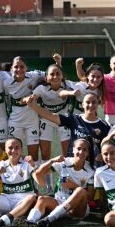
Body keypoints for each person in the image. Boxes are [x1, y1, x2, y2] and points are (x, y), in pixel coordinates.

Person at [14, 139, 95, 227]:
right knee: (41, 199)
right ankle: (30, 222)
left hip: (76, 210)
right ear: (73, 149)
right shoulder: (65, 162)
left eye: (84, 150)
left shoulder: (90, 171)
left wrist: (74, 186)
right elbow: (39, 173)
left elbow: (90, 196)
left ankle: (48, 220)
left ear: (87, 153)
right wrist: (52, 160)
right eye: (78, 148)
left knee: (80, 190)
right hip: (59, 203)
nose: (81, 152)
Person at [25, 92, 110, 167]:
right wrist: (33, 106)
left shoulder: (104, 126)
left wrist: (102, 154)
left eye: (94, 102)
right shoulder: (75, 119)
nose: (91, 105)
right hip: (73, 164)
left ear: (98, 104)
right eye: (87, 102)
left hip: (92, 167)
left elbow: (109, 146)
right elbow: (52, 116)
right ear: (82, 104)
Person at [28, 64, 73, 194]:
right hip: (46, 121)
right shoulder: (41, 88)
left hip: (62, 121)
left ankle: (65, 185)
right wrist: (28, 99)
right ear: (46, 77)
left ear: (62, 76)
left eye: (58, 73)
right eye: (52, 74)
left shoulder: (68, 85)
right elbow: (32, 98)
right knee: (46, 154)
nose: (55, 76)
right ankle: (49, 187)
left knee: (67, 155)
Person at [4, 56, 46, 161]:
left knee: (34, 156)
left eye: (22, 66)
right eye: (16, 67)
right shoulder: (6, 83)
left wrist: (58, 63)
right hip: (15, 121)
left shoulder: (34, 76)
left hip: (32, 121)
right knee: (14, 155)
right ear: (11, 68)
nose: (19, 69)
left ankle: (33, 176)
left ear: (26, 68)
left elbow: (51, 75)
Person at [76, 54, 115, 125]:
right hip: (110, 118)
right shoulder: (104, 78)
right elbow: (85, 78)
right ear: (110, 65)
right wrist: (78, 66)